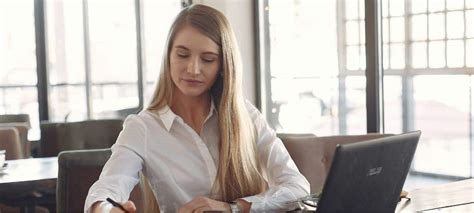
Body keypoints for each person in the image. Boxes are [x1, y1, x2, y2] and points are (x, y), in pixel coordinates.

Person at [85, 4, 309, 213]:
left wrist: (233, 208)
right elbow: (105, 190)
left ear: (223, 65)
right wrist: (106, 209)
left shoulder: (245, 116)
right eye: (182, 55)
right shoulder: (143, 127)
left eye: (208, 59)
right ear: (168, 57)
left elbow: (298, 186)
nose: (193, 69)